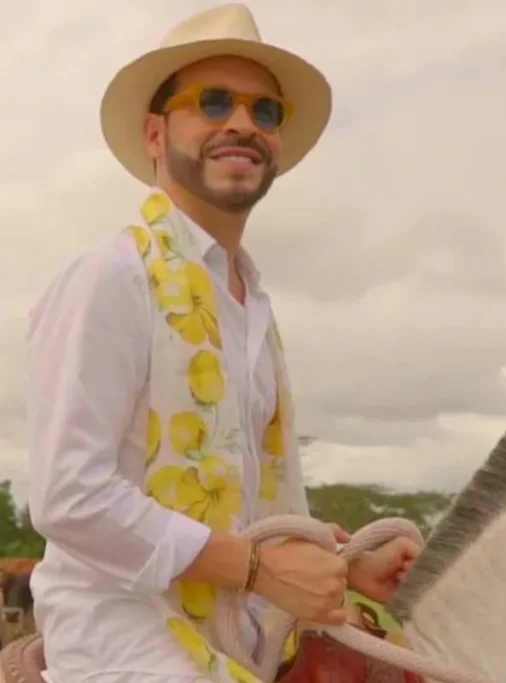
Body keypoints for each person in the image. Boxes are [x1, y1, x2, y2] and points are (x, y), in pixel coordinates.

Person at [25, 4, 421, 682]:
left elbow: (247, 509)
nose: (242, 123)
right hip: (125, 643)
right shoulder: (111, 277)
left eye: (265, 112)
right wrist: (261, 568)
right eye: (212, 102)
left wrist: (338, 565)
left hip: (242, 634)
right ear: (156, 133)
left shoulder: (251, 305)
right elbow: (67, 495)